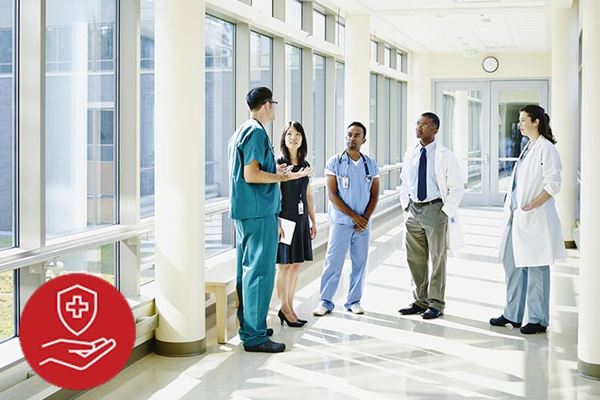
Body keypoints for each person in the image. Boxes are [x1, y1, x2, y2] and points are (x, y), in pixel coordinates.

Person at [228, 87, 311, 353]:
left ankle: (251, 327)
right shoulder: (255, 132)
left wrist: (274, 170)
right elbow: (251, 175)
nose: (274, 108)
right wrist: (281, 177)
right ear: (266, 105)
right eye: (273, 103)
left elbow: (250, 169)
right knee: (260, 274)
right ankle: (255, 336)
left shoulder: (242, 130)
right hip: (259, 212)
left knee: (247, 272)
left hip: (246, 212)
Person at [490, 105, 564, 334]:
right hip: (517, 217)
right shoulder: (528, 147)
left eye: (523, 120)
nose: (520, 124)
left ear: (536, 122)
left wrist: (531, 205)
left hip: (535, 218)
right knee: (511, 264)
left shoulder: (547, 149)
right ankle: (512, 313)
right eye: (520, 120)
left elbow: (553, 185)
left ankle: (537, 319)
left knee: (536, 268)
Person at [398, 112, 465, 320]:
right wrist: (406, 206)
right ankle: (420, 301)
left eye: (425, 125)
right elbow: (405, 181)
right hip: (413, 210)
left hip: (435, 209)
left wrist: (445, 212)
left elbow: (457, 188)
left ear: (435, 130)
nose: (419, 127)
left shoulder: (446, 155)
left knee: (437, 259)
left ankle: (436, 303)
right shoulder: (412, 152)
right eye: (418, 123)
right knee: (414, 258)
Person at [313, 121, 379, 316]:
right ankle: (325, 302)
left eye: (357, 135)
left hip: (363, 225)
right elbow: (332, 195)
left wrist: (364, 218)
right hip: (341, 222)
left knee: (360, 263)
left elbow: (374, 194)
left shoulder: (370, 164)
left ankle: (354, 301)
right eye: (349, 134)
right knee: (333, 262)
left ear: (363, 139)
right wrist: (355, 217)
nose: (352, 138)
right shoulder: (335, 162)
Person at [275, 121, 317, 327]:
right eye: (290, 134)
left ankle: (290, 307)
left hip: (300, 219)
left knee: (295, 265)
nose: (294, 137)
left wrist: (313, 221)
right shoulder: (279, 164)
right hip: (284, 219)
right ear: (284, 138)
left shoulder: (306, 166)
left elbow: (308, 195)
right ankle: (283, 308)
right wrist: (276, 222)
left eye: (298, 134)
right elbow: (272, 195)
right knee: (284, 265)